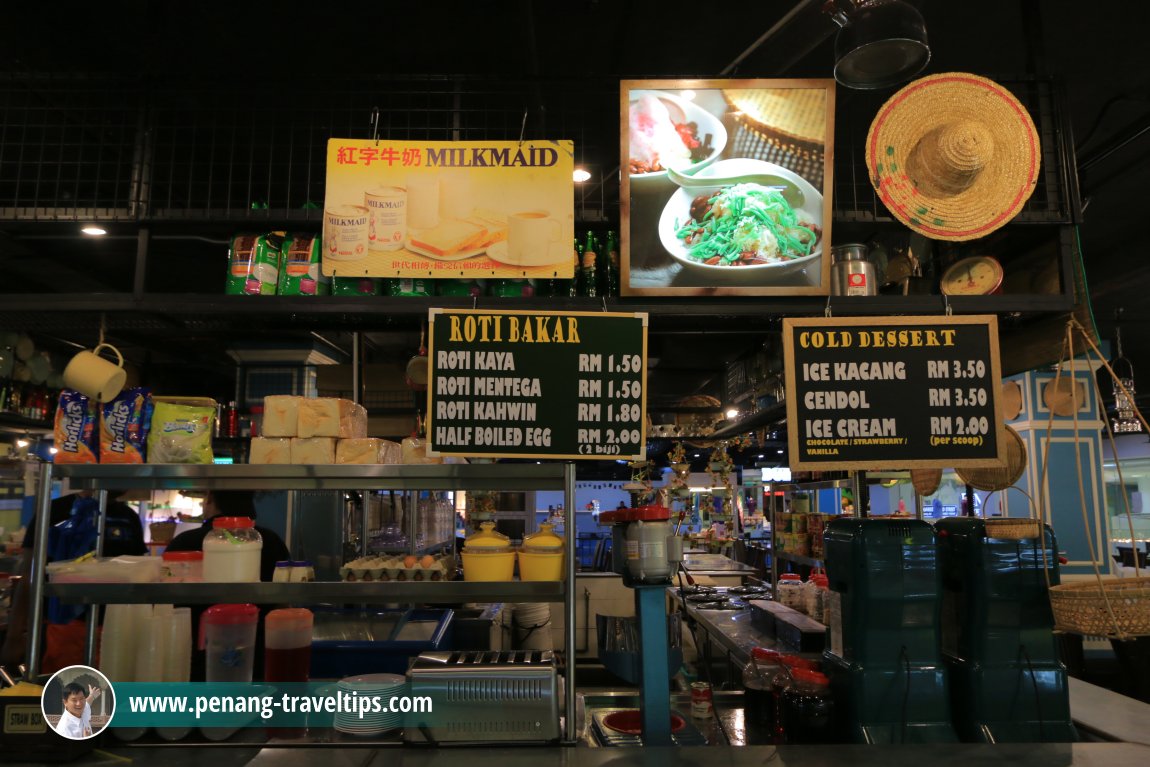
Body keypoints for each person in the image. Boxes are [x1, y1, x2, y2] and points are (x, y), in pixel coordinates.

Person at [1, 491, 146, 671]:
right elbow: (29, 576)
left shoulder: (128, 517)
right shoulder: (56, 510)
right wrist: (14, 636)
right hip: (62, 629)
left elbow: (139, 576)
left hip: (117, 628)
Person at [164, 490, 289, 581]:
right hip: (259, 617)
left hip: (193, 618)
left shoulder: (184, 542)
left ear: (210, 498)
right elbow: (284, 599)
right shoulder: (272, 541)